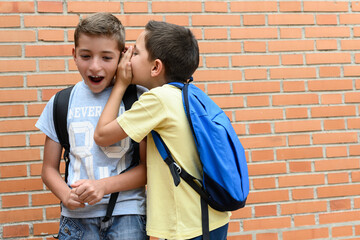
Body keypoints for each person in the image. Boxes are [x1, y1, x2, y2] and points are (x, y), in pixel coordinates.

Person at [94, 20, 230, 240]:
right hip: (208, 218)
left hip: (189, 226)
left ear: (156, 67)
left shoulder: (158, 99)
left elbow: (102, 136)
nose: (127, 56)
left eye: (135, 53)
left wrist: (120, 84)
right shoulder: (187, 93)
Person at [35, 12, 147, 240]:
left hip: (128, 214)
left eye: (106, 58)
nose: (95, 66)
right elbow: (48, 169)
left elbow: (148, 169)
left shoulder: (138, 100)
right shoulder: (60, 102)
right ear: (74, 54)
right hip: (76, 219)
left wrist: (103, 186)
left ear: (122, 55)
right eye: (86, 56)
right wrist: (65, 195)